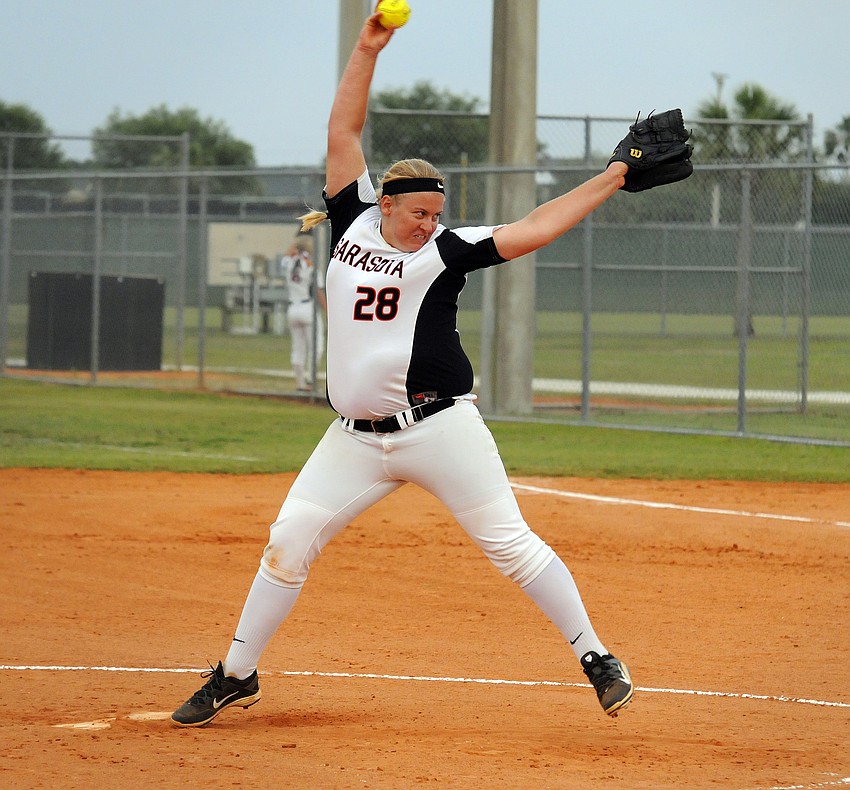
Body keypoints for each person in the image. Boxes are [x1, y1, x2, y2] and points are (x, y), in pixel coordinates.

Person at [171, 8, 642, 728]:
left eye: (436, 212)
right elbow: (344, 132)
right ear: (384, 204)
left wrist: (611, 177)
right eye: (418, 211)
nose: (429, 222)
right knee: (288, 540)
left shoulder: (448, 251)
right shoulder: (352, 218)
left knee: (510, 544)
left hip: (439, 428)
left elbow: (536, 227)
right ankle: (236, 672)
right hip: (353, 438)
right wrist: (367, 47)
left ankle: (596, 656)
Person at [279, 235, 326, 391]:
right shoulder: (311, 265)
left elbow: (287, 253)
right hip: (307, 307)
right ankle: (311, 380)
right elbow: (318, 291)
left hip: (293, 308)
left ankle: (300, 383)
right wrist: (327, 310)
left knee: (297, 348)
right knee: (316, 346)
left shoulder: (288, 263)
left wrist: (296, 245)